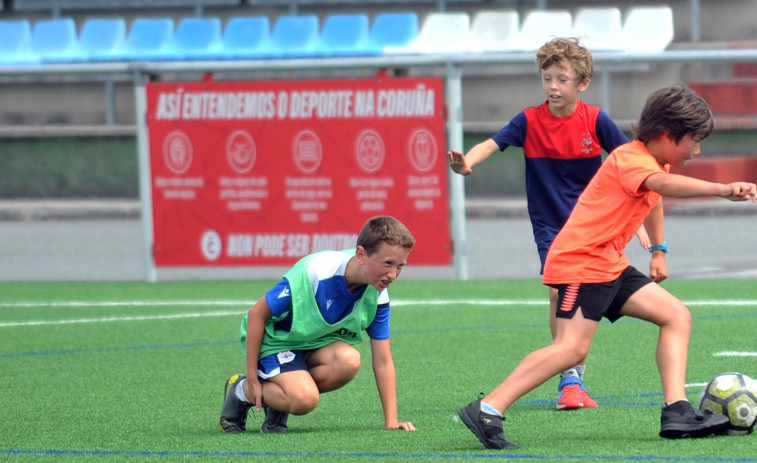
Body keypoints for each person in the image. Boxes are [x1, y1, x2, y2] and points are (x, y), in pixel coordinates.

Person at [457, 83, 756, 449]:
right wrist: (722, 189)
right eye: (694, 140)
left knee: (676, 315)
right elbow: (662, 184)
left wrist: (658, 250)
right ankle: (488, 408)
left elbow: (657, 194)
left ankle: (677, 410)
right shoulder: (632, 158)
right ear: (666, 135)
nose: (697, 150)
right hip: (582, 263)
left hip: (608, 263)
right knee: (571, 349)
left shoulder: (651, 163)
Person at [448, 37, 652, 410]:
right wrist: (468, 163)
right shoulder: (528, 120)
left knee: (581, 297)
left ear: (582, 84)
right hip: (551, 229)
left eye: (562, 79)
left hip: (596, 227)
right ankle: (570, 379)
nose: (553, 87)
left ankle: (571, 377)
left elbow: (632, 165)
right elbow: (491, 145)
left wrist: (634, 218)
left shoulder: (595, 120)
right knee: (559, 293)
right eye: (547, 78)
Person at [219, 215, 417, 434]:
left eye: (400, 266)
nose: (393, 274)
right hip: (275, 341)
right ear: (361, 255)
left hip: (315, 343)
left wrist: (391, 421)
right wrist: (253, 379)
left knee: (349, 361)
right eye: (387, 263)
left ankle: (284, 393)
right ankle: (241, 390)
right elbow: (257, 314)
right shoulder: (315, 273)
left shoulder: (378, 292)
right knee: (305, 400)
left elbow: (383, 361)